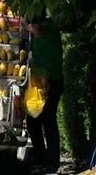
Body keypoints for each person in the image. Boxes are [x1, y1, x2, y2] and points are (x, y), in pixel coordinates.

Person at [25, 12, 64, 174]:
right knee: (34, 121)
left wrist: (24, 19)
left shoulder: (47, 27)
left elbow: (35, 29)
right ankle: (41, 160)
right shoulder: (38, 32)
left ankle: (51, 163)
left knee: (48, 121)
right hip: (39, 84)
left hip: (51, 82)